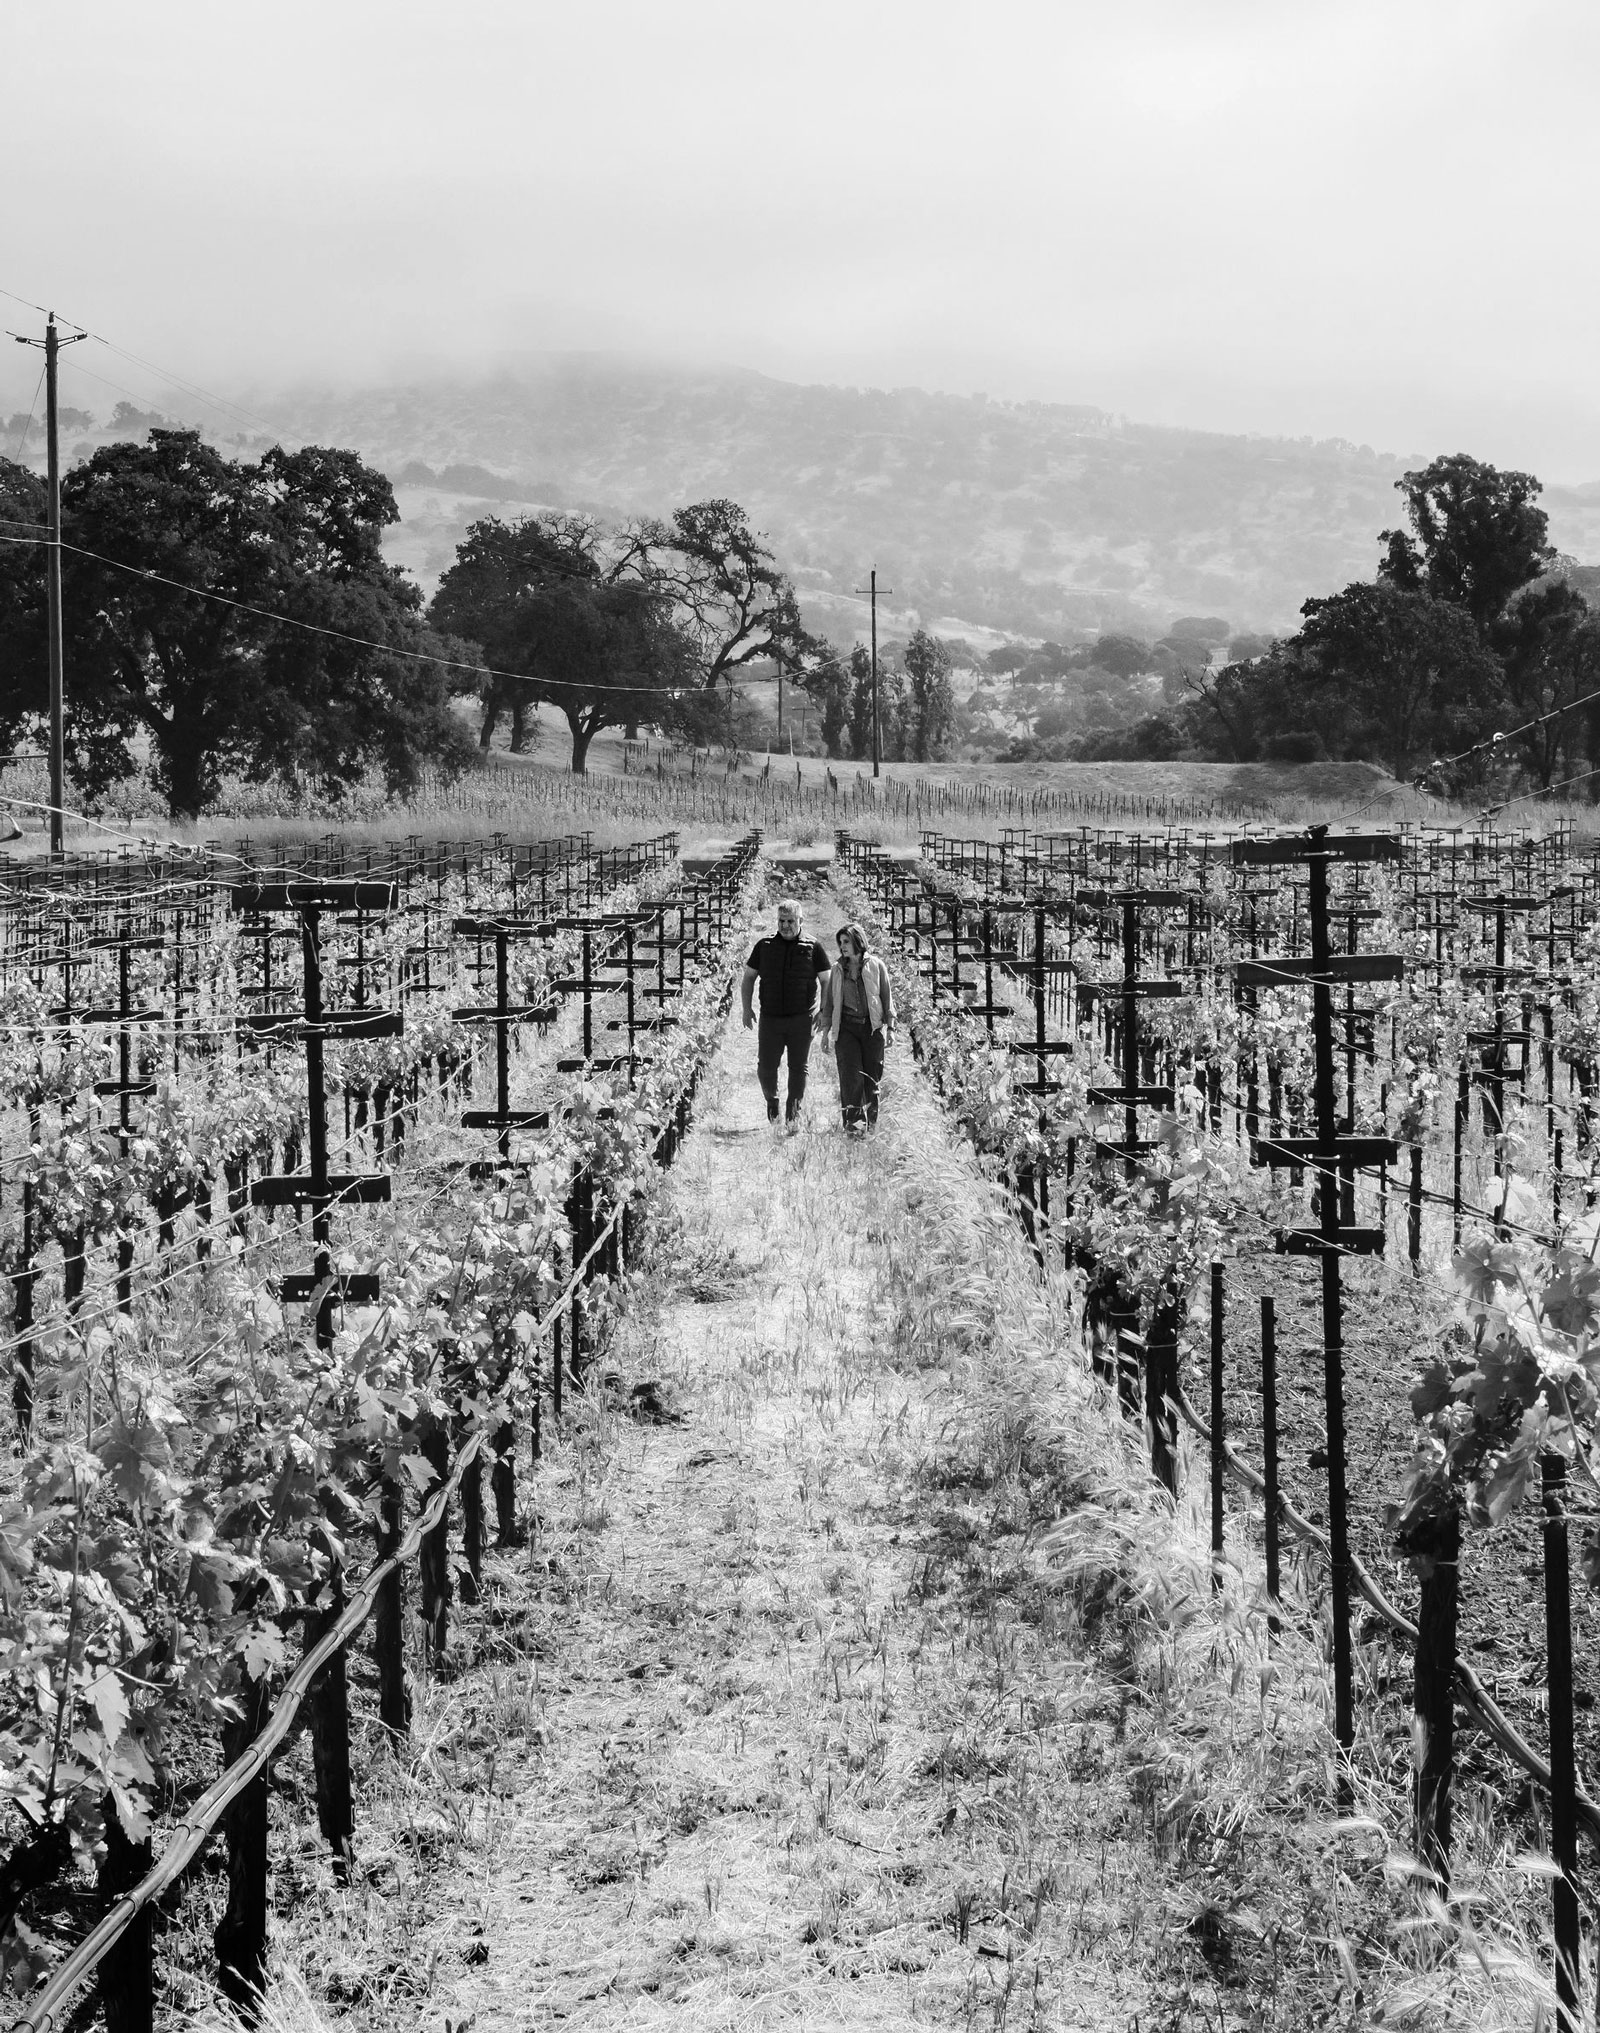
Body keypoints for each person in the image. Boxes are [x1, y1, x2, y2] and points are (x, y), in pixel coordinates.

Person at [741, 897, 832, 1130]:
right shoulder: (764, 946)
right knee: (765, 1068)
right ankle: (772, 1100)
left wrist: (823, 1010)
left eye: (791, 920)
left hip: (802, 1018)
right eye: (782, 920)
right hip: (770, 1018)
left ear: (800, 920)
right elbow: (749, 977)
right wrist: (746, 1008)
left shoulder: (813, 947)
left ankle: (793, 1115)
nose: (786, 925)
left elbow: (826, 980)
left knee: (798, 1067)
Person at [817, 922, 894, 1130]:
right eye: (840, 942)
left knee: (871, 1083)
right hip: (847, 1030)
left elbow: (887, 997)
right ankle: (853, 1129)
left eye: (846, 941)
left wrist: (891, 1029)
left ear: (858, 942)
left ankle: (870, 1129)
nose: (842, 946)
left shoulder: (877, 966)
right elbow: (830, 1003)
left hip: (872, 1030)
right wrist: (825, 1034)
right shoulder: (837, 969)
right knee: (852, 1081)